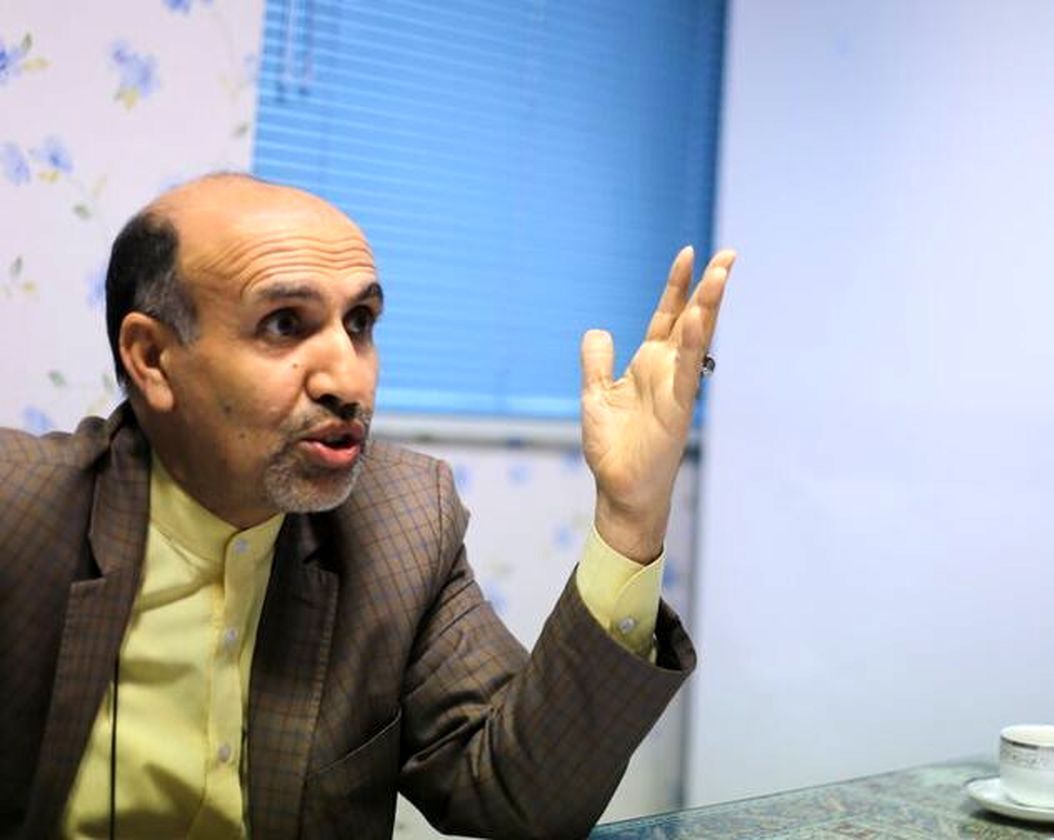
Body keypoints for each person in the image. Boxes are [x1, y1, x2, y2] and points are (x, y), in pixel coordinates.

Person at [0, 172, 735, 838]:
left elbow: (522, 795)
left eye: (359, 323)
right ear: (153, 359)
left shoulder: (402, 519)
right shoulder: (20, 512)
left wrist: (631, 514)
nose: (349, 381)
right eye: (284, 324)